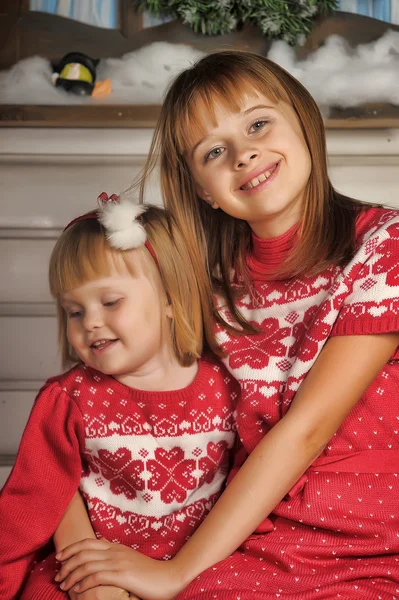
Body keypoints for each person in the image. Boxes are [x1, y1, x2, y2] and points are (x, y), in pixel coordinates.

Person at [50, 50, 399, 600]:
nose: (244, 153)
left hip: (365, 531)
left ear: (304, 122)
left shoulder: (382, 246)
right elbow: (94, 403)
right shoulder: (209, 283)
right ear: (202, 190)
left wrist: (173, 573)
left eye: (258, 123)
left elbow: (307, 429)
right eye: (214, 151)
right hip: (247, 525)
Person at [0, 193, 239, 600]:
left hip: (195, 567)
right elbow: (32, 502)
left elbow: (247, 485)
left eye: (110, 302)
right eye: (74, 311)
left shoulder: (227, 386)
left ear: (170, 297)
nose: (90, 322)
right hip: (91, 569)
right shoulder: (70, 398)